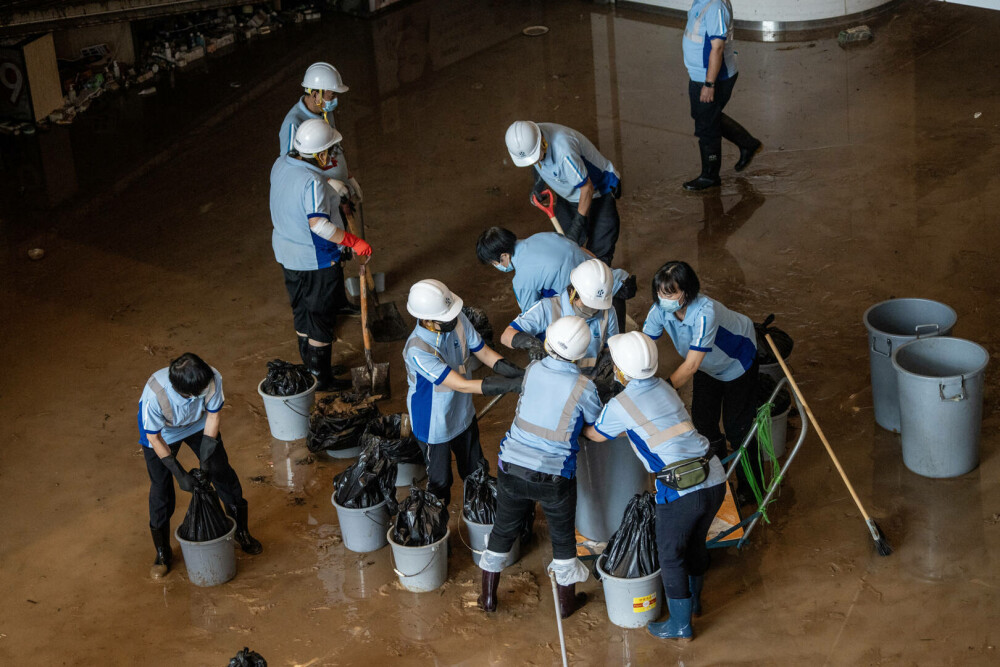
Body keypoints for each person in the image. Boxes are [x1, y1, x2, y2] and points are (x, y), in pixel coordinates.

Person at [583, 332, 726, 640]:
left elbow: (596, 435)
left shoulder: (621, 404)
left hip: (681, 489)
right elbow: (648, 428)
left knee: (670, 553)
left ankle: (680, 624)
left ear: (621, 370)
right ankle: (696, 601)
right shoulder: (664, 386)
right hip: (713, 476)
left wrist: (574, 423)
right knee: (695, 543)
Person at [479, 316, 602, 618]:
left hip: (512, 467)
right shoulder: (583, 385)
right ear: (582, 354)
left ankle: (487, 598)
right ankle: (565, 605)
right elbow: (596, 422)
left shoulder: (532, 370)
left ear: (547, 343)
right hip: (554, 476)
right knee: (562, 540)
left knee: (503, 530)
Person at [642, 261, 761, 501]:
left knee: (737, 429)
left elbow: (691, 365)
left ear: (687, 291)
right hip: (707, 367)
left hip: (736, 364)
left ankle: (752, 488)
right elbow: (643, 345)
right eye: (660, 293)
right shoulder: (660, 310)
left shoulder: (706, 312)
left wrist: (660, 389)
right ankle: (720, 476)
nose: (664, 298)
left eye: (671, 293)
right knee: (704, 423)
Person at [137, 353, 262, 579]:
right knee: (161, 488)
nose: (207, 388)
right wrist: (179, 473)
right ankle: (163, 552)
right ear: (184, 391)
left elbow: (213, 416)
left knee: (221, 471)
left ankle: (241, 532)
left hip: (199, 423)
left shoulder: (211, 378)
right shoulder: (155, 396)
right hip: (162, 432)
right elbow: (154, 438)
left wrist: (206, 458)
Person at [269, 119, 373, 391]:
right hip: (315, 258)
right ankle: (322, 379)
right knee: (321, 318)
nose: (334, 154)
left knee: (303, 311)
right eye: (331, 150)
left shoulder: (280, 164)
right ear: (321, 154)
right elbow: (320, 225)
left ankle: (312, 369)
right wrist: (355, 242)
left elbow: (297, 178)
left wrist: (331, 182)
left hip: (287, 253)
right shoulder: (312, 182)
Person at [403, 279, 524, 505]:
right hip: (433, 422)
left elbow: (483, 352)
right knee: (440, 482)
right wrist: (508, 385)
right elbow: (459, 384)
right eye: (445, 318)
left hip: (462, 411)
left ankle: (480, 513)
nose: (452, 319)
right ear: (426, 320)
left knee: (476, 469)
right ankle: (437, 529)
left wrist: (513, 371)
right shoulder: (418, 349)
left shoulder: (455, 319)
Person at [504, 121, 622, 264]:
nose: (533, 161)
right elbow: (536, 161)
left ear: (542, 142)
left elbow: (587, 189)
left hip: (598, 191)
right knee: (564, 247)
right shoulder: (529, 138)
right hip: (568, 193)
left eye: (535, 155)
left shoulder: (564, 152)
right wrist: (538, 185)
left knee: (599, 254)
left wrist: (578, 224)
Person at [475, 226, 637, 325]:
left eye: (494, 263)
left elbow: (532, 315)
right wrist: (602, 270)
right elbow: (581, 249)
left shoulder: (522, 280)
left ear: (503, 256)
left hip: (588, 303)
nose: (495, 266)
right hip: (612, 280)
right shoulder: (542, 236)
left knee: (547, 305)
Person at [681, 0, 762, 191]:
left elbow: (717, 47)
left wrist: (709, 84)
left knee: (706, 126)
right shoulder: (701, 2)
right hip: (700, 74)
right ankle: (748, 143)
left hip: (712, 77)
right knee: (706, 116)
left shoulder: (715, 6)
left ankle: (710, 176)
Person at [500, 258, 618, 376]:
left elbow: (610, 348)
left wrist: (607, 365)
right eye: (587, 303)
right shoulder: (547, 308)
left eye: (597, 305)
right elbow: (506, 336)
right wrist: (532, 344)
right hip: (552, 377)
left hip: (588, 380)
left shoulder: (608, 312)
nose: (592, 310)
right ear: (572, 292)